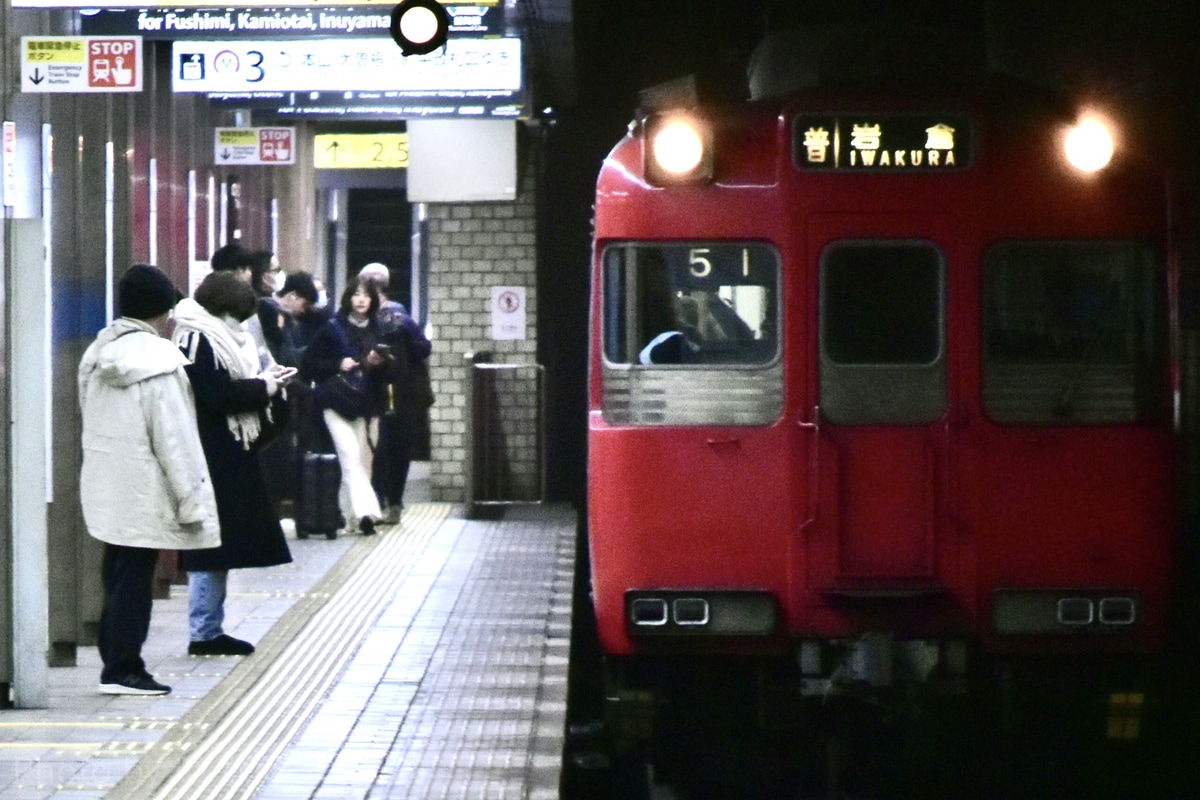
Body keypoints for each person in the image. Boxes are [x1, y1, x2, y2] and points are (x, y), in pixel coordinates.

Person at [78, 264, 220, 695]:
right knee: (134, 579)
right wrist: (192, 501)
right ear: (165, 311)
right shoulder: (160, 363)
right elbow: (174, 440)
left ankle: (117, 662)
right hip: (145, 484)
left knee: (119, 573)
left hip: (107, 479)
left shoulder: (98, 354)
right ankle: (124, 668)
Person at [171, 271, 297, 656]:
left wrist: (266, 382)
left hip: (226, 452)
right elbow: (217, 394)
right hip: (210, 454)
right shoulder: (195, 338)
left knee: (219, 542)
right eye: (237, 315)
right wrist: (264, 386)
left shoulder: (216, 336)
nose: (240, 325)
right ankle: (204, 631)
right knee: (209, 543)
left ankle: (210, 627)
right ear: (224, 308)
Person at [301, 276, 393, 535]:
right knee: (350, 456)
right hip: (334, 403)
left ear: (374, 299)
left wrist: (378, 363)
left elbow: (389, 374)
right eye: (356, 294)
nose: (361, 299)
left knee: (355, 463)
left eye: (366, 295)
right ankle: (368, 512)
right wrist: (336, 365)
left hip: (364, 405)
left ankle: (347, 517)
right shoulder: (332, 328)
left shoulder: (378, 329)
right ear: (348, 298)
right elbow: (308, 364)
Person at [358, 263, 432, 522]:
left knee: (383, 449)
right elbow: (425, 348)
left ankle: (382, 502)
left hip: (383, 392)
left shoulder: (396, 318)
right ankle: (392, 502)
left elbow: (422, 348)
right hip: (400, 394)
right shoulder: (400, 318)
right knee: (395, 449)